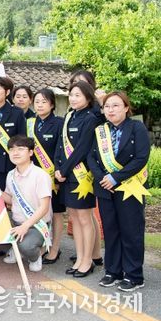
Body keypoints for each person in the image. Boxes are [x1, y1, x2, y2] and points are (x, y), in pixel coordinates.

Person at [88, 92, 150, 292]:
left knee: (131, 231)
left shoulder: (137, 127)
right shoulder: (100, 131)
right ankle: (113, 271)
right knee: (111, 230)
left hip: (129, 187)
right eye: (107, 106)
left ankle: (134, 275)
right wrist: (102, 178)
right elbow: (91, 157)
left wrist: (115, 177)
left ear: (126, 108)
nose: (111, 110)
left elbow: (141, 157)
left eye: (116, 105)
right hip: (105, 188)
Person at [55, 81, 100, 278]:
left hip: (81, 176)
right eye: (71, 95)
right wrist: (57, 168)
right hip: (65, 175)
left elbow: (82, 149)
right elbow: (60, 145)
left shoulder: (90, 119)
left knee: (84, 218)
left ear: (88, 98)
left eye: (78, 95)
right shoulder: (69, 116)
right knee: (74, 217)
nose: (73, 99)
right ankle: (80, 258)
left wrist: (64, 169)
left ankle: (88, 260)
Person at [0, 135, 53, 273]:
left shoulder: (40, 175)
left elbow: (44, 207)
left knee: (27, 246)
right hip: (16, 221)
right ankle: (15, 248)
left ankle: (34, 257)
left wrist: (25, 226)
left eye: (20, 149)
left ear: (30, 152)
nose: (15, 153)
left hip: (36, 225)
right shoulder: (10, 174)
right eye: (12, 149)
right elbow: (11, 200)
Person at [29, 89, 65, 265]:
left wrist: (57, 174)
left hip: (52, 176)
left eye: (44, 102)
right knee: (38, 210)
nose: (40, 105)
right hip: (33, 176)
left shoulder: (59, 123)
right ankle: (43, 244)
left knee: (56, 213)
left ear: (52, 104)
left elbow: (61, 150)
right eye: (37, 101)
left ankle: (55, 248)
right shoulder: (30, 123)